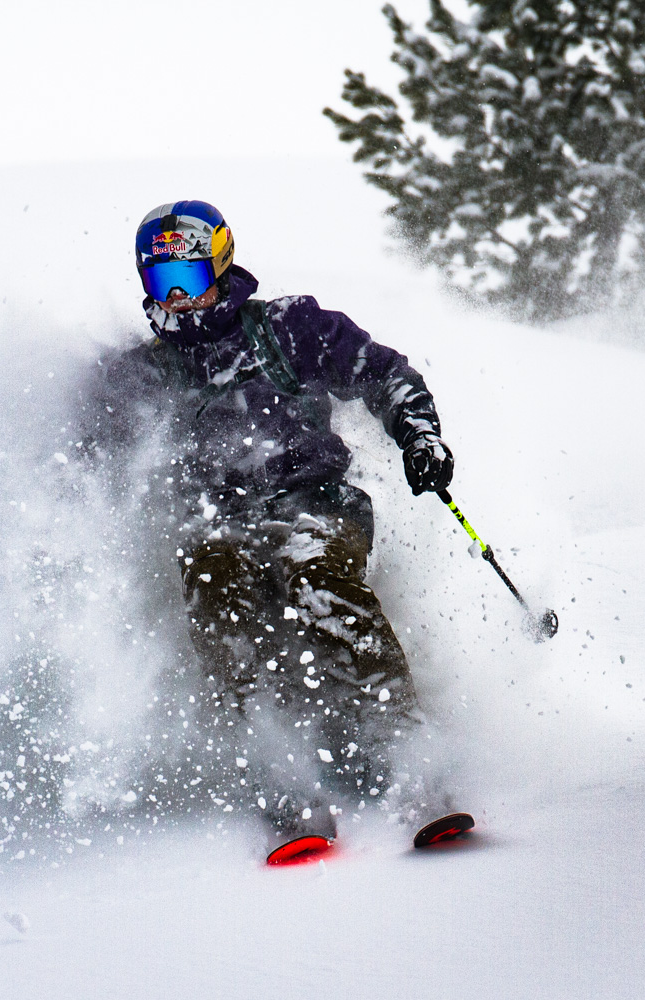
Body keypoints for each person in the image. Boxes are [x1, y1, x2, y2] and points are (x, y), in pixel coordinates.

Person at [87, 200, 455, 848]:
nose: (179, 300)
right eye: (161, 284)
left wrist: (418, 436)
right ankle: (274, 764)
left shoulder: (289, 329)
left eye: (191, 280)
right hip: (217, 518)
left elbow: (383, 372)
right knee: (213, 572)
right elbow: (89, 450)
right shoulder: (143, 374)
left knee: (311, 571)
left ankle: (405, 755)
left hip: (313, 501)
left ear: (222, 268)